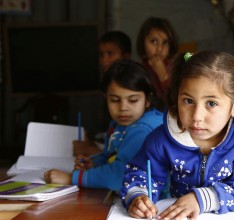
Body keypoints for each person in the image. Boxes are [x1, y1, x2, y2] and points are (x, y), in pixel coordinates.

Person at [120, 51, 234, 219]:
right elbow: (141, 172)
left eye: (211, 103)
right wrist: (138, 196)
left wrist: (199, 199)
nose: (196, 116)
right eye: (188, 101)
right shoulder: (161, 140)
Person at [44, 60, 163, 191]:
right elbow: (112, 156)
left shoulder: (142, 130)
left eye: (133, 100)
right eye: (115, 100)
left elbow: (120, 175)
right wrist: (94, 163)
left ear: (147, 100)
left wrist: (72, 178)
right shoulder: (119, 124)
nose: (123, 107)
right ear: (105, 97)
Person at [73, 30, 132, 157]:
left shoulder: (133, 83)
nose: (104, 60)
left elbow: (123, 158)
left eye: (110, 54)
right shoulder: (106, 82)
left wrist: (91, 151)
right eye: (101, 54)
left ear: (126, 57)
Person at [136, 16, 179, 109]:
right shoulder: (137, 70)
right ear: (143, 43)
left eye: (165, 43)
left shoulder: (176, 69)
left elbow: (175, 103)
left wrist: (163, 76)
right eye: (154, 41)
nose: (159, 49)